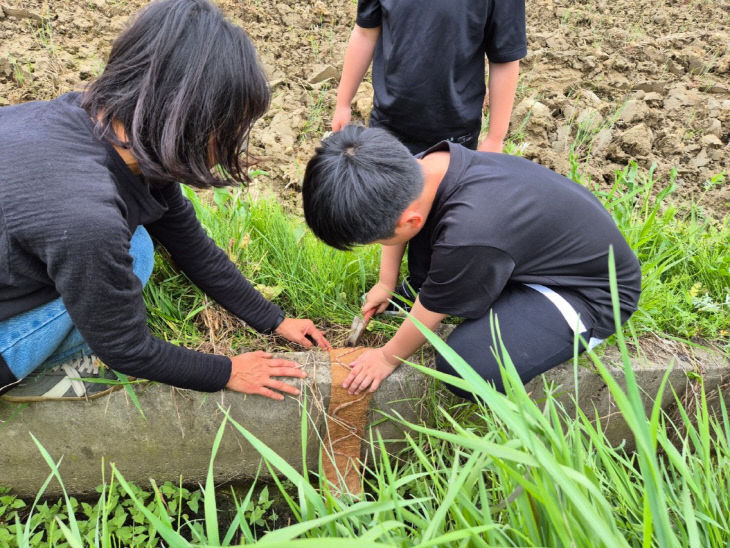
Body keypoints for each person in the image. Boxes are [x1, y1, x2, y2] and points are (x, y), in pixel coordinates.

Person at [0, 0, 330, 402]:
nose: (233, 142)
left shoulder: (103, 124)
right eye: (232, 127)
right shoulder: (87, 217)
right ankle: (26, 375)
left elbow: (190, 243)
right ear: (189, 117)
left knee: (135, 247)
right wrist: (227, 370)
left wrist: (274, 320)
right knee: (127, 264)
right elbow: (126, 347)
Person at [302, 126, 642, 399]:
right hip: (531, 248)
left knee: (464, 368)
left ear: (409, 222)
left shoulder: (471, 234)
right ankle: (488, 288)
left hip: (590, 292)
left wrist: (386, 357)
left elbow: (431, 309)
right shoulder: (418, 166)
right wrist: (386, 282)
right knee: (430, 276)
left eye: (376, 240)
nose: (379, 244)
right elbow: (400, 220)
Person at [331, 0, 526, 154]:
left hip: (455, 137)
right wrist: (343, 103)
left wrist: (495, 138)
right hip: (387, 125)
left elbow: (505, 57)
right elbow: (365, 32)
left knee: (443, 201)